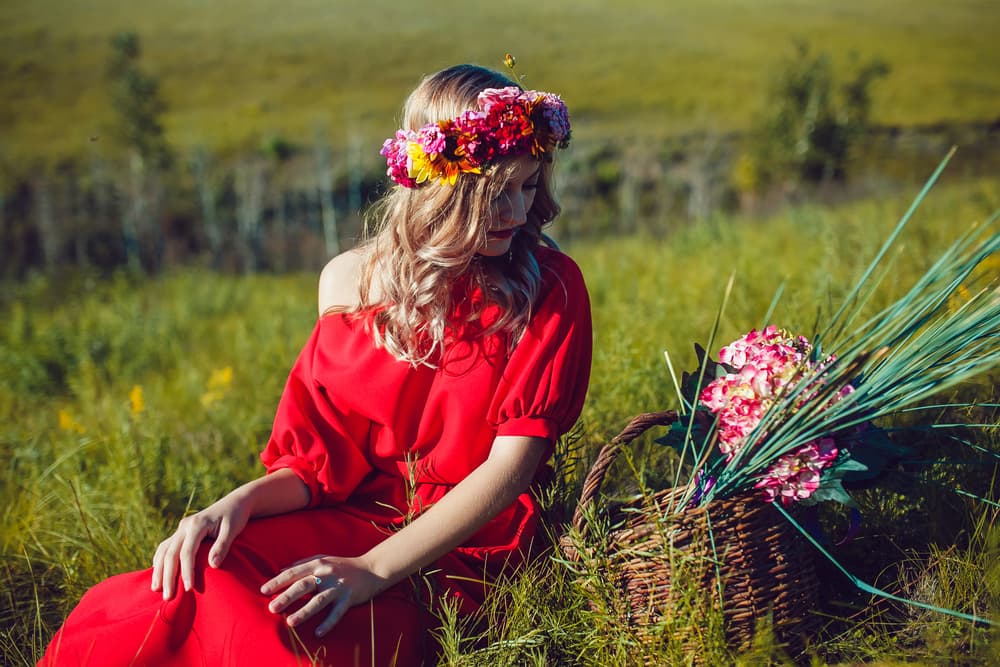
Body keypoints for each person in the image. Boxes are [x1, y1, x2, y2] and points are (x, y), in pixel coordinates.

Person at [38, 63, 592, 666]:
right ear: (440, 185)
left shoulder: (548, 286)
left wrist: (370, 571)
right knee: (207, 570)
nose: (517, 210)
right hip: (350, 517)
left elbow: (510, 469)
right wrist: (235, 504)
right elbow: (319, 464)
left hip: (462, 548)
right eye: (495, 193)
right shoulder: (348, 280)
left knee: (273, 626)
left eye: (529, 185)